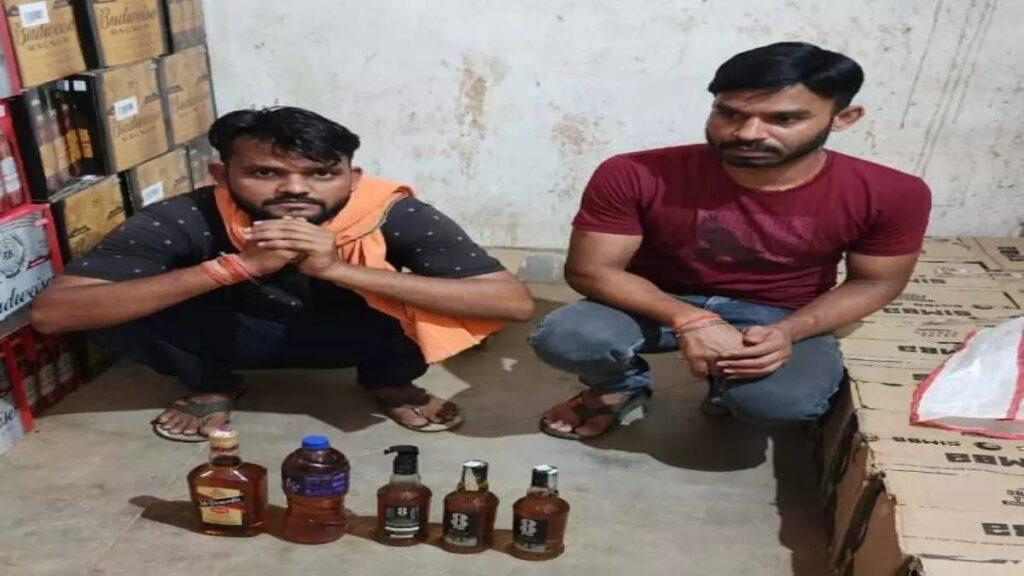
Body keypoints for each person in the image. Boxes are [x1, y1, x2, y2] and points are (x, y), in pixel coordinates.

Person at [30, 106, 534, 441]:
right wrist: (236, 267)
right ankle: (212, 386)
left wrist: (339, 269)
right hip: (231, 336)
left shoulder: (389, 211)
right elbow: (55, 315)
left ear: (352, 178)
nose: (295, 189)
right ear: (223, 176)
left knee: (438, 298)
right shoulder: (188, 215)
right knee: (117, 306)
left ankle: (391, 383)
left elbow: (511, 303)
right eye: (265, 173)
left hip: (361, 334)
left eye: (321, 174)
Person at [530, 42, 931, 440]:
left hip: (779, 313)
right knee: (568, 339)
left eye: (784, 119)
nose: (747, 133)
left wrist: (790, 331)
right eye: (730, 113)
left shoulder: (891, 193)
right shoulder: (634, 172)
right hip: (658, 299)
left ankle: (728, 389)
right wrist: (690, 319)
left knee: (782, 404)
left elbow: (875, 281)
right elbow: (591, 270)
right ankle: (619, 386)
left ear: (843, 118)